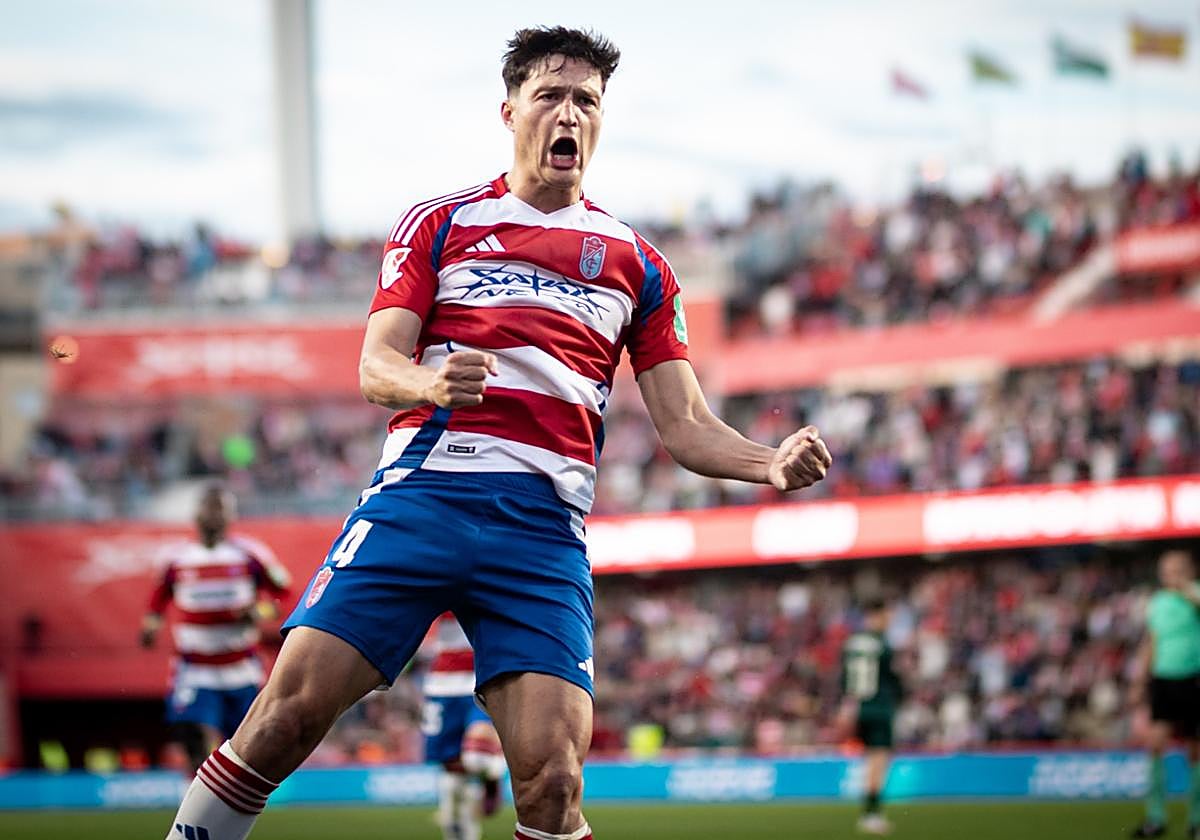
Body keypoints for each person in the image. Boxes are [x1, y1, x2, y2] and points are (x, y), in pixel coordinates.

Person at [162, 26, 831, 840]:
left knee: (553, 782)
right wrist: (429, 381)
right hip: (423, 501)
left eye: (587, 100)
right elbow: (376, 366)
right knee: (283, 719)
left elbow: (685, 424)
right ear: (510, 110)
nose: (570, 114)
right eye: (551, 95)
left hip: (542, 534)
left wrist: (771, 462)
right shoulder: (438, 224)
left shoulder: (640, 265)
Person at [141, 484, 291, 775]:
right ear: (196, 514)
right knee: (188, 731)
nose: (211, 515)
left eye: (218, 508)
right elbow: (158, 598)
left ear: (230, 515)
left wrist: (258, 611)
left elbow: (284, 596)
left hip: (240, 666)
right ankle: (199, 793)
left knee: (247, 745)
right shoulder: (176, 558)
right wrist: (151, 624)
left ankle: (234, 799)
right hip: (195, 667)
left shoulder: (250, 553)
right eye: (207, 507)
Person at [1131, 549, 1200, 839]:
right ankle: (1156, 817)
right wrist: (1139, 679)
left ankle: (1197, 819)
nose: (1169, 574)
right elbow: (1152, 641)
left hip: (1194, 678)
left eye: (1176, 569)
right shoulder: (1157, 603)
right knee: (1155, 743)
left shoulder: (1195, 593)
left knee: (1196, 750)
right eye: (1165, 569)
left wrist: (1185, 587)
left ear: (1189, 570)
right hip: (1164, 680)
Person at [421, 613, 507, 840]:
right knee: (451, 768)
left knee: (477, 757)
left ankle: (494, 775)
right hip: (442, 685)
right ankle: (461, 830)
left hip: (481, 679)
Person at [840, 598, 901, 836]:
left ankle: (869, 813)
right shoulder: (882, 643)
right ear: (879, 614)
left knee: (869, 760)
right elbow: (891, 676)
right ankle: (871, 814)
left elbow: (845, 678)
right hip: (879, 705)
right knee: (878, 759)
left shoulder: (852, 642)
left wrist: (847, 705)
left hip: (857, 706)